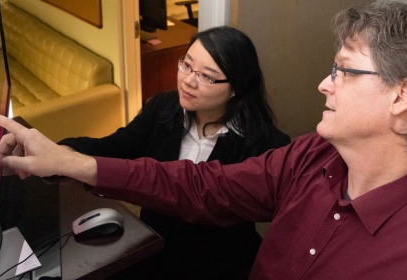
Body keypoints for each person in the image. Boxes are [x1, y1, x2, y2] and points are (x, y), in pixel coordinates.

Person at [0, 2, 407, 279]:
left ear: (401, 96)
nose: (324, 84)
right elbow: (201, 187)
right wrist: (70, 161)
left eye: (343, 71)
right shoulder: (311, 156)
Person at [57, 26, 290, 279]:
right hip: (152, 248)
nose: (188, 81)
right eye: (187, 66)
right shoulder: (162, 108)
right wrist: (63, 152)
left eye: (207, 77)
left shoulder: (267, 145)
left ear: (236, 88)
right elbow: (115, 146)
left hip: (218, 265)